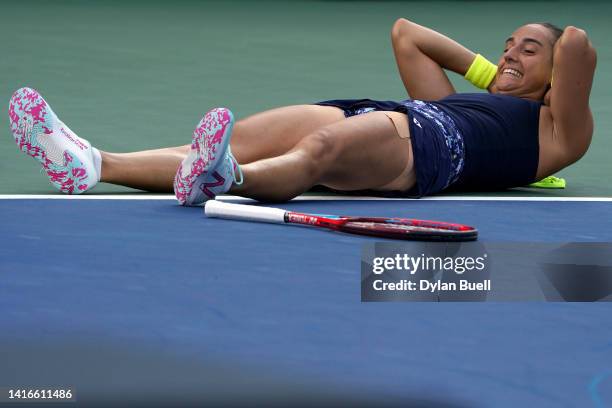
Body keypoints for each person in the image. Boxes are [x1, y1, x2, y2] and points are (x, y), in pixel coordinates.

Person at [8, 19, 596, 205]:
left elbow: (575, 43)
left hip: (425, 147)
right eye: (506, 47)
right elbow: (407, 36)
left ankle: (231, 182)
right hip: (384, 113)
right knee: (219, 144)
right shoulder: (470, 101)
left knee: (313, 157)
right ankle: (93, 162)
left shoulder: (557, 134)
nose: (510, 53)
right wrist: (495, 81)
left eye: (527, 49)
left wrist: (519, 84)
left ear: (555, 79)